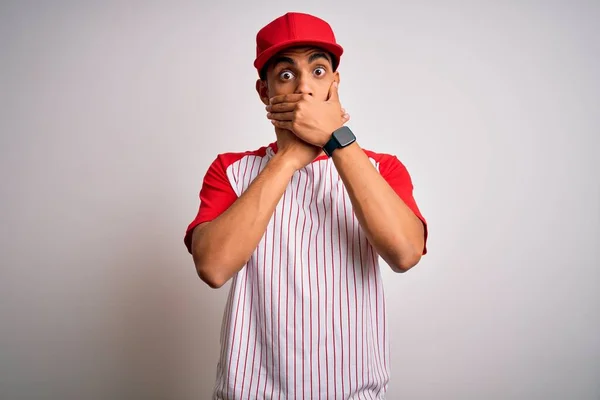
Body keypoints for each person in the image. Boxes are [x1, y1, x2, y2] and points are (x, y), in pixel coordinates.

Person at [184, 11, 428, 399]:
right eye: (285, 75)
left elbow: (405, 253)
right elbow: (213, 267)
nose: (303, 88)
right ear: (265, 92)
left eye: (317, 70)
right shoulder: (231, 170)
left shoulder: (382, 168)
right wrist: (289, 158)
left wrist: (338, 140)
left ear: (335, 83)